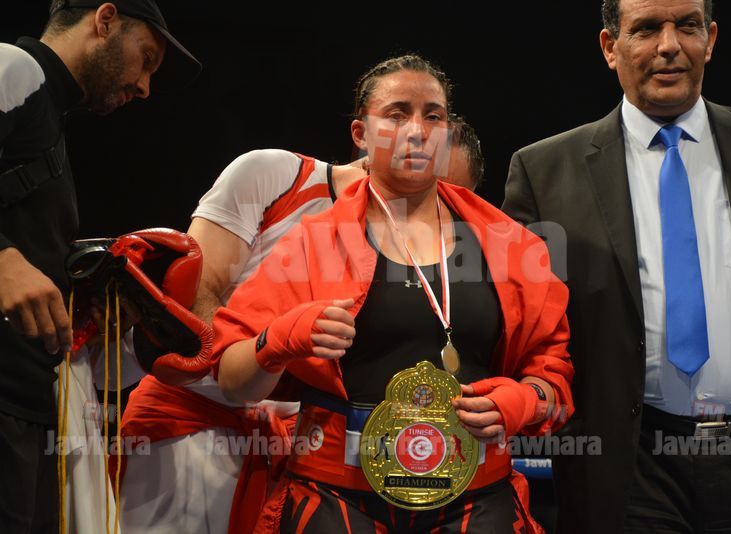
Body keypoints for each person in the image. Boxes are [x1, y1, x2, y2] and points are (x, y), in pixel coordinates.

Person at [211, 54, 574, 533]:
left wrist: (525, 400)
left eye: (433, 116)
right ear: (361, 134)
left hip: (476, 498)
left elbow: (553, 376)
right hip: (338, 497)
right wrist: (276, 340)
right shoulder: (311, 244)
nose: (417, 131)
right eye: (397, 114)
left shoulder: (509, 244)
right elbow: (232, 380)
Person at [502, 1, 731, 532]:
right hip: (626, 465)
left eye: (686, 26)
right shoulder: (543, 171)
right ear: (609, 47)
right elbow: (519, 323)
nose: (669, 45)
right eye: (645, 29)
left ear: (710, 39)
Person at [117, 114, 485, 533]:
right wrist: (259, 355)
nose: (435, 204)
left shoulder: (438, 259)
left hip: (308, 456)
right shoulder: (274, 176)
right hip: (195, 430)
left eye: (453, 198)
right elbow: (196, 290)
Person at [0, 1, 200, 531]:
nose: (145, 87)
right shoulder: (13, 67)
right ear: (105, 20)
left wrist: (88, 302)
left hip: (30, 406)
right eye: (146, 59)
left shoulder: (49, 120)